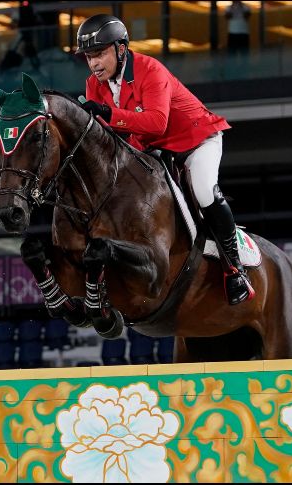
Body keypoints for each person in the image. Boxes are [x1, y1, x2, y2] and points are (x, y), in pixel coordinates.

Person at [75, 14, 253, 305]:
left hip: (196, 140)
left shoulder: (149, 69)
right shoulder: (94, 85)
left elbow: (157, 123)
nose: (94, 63)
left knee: (204, 191)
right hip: (154, 150)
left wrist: (108, 114)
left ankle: (235, 269)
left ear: (121, 49)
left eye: (99, 54)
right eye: (89, 57)